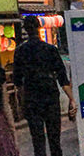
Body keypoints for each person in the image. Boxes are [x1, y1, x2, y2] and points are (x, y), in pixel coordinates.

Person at [13, 17, 76, 156]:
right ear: (39, 28)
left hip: (31, 97)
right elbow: (62, 78)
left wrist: (21, 102)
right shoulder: (50, 49)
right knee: (55, 140)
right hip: (50, 95)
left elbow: (17, 82)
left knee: (38, 141)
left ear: (26, 30)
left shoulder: (20, 51)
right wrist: (72, 99)